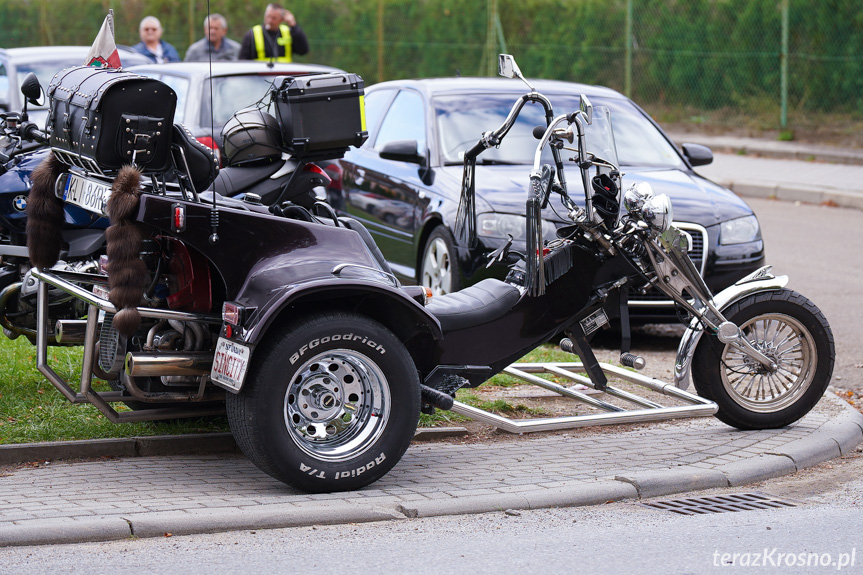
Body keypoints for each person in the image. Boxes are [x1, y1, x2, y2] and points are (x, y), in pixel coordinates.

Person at [238, 3, 309, 62]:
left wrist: (293, 25)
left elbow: (303, 50)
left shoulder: (288, 32)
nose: (270, 20)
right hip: (260, 77)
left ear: (281, 19)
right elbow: (243, 60)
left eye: (274, 18)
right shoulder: (252, 34)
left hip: (284, 76)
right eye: (268, 16)